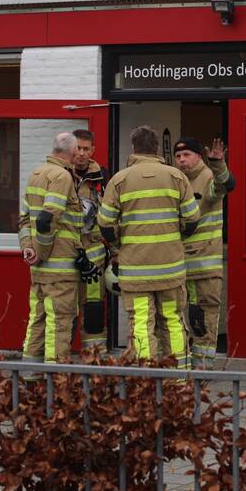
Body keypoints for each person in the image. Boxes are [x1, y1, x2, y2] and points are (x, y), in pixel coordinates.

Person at [97, 125, 200, 368]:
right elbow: (192, 219)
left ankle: (147, 382)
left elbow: (105, 224)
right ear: (156, 148)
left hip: (136, 269)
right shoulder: (176, 177)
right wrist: (174, 240)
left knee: (142, 322)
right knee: (173, 320)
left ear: (134, 148)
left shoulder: (120, 180)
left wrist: (120, 244)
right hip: (171, 269)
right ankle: (179, 378)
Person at [17, 132, 100, 365]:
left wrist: (28, 249)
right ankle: (55, 384)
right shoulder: (61, 176)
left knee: (38, 321)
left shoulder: (36, 174)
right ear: (72, 152)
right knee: (59, 324)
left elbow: (25, 220)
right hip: (59, 272)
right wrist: (40, 254)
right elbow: (46, 219)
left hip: (40, 272)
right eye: (78, 150)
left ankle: (31, 375)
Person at [173, 136, 235, 369]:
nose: (181, 160)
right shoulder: (175, 180)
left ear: (198, 156)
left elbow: (223, 186)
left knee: (202, 316)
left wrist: (218, 164)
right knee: (177, 315)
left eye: (187, 155)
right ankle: (181, 363)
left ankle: (203, 367)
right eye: (178, 156)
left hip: (204, 264)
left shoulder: (208, 176)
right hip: (179, 263)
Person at [68, 128, 109, 351]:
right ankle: (63, 366)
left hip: (94, 258)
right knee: (65, 310)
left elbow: (113, 217)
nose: (82, 153)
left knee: (94, 310)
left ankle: (95, 363)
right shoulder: (60, 174)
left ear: (93, 150)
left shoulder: (103, 177)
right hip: (66, 255)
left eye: (86, 149)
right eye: (78, 148)